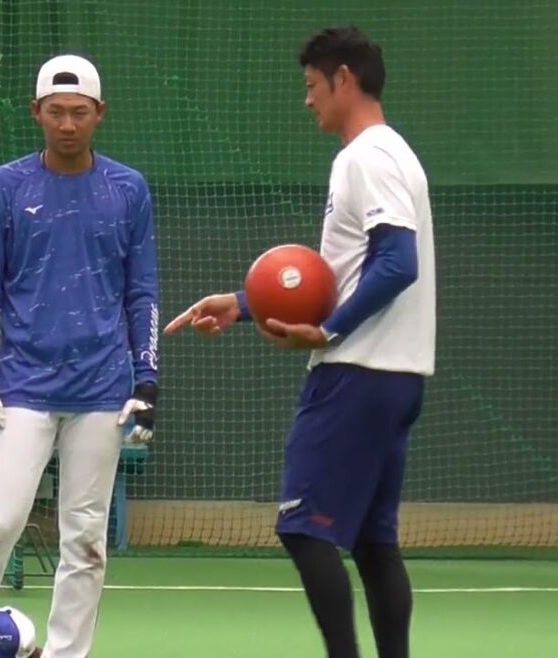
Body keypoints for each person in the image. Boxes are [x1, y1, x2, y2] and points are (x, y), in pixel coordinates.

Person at [165, 26, 435, 658]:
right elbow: (334, 274)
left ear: (344, 79)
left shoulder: (364, 157)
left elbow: (399, 264)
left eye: (313, 87)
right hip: (397, 379)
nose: (307, 101)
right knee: (373, 543)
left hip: (356, 373)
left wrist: (328, 330)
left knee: (303, 529)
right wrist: (244, 303)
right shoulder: (395, 153)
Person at [0, 54, 161, 658]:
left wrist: (148, 382)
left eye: (79, 113)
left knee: (84, 541)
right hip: (21, 387)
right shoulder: (5, 188)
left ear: (100, 115)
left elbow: (142, 292)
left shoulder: (129, 189)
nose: (67, 123)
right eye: (56, 112)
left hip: (105, 391)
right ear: (37, 113)